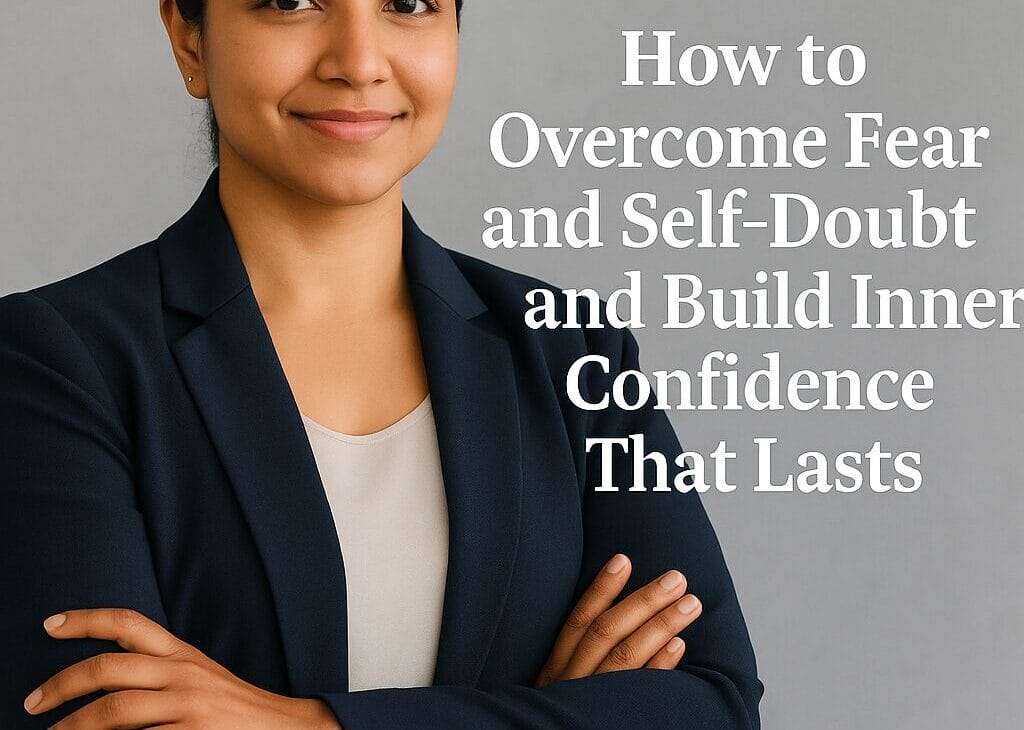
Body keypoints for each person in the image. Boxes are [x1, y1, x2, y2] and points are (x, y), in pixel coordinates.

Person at [0, 0, 763, 727]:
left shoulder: (570, 348)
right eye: (290, 1)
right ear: (190, 38)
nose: (359, 62)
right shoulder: (55, 361)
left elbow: (712, 705)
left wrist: (307, 725)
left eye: (408, 2)